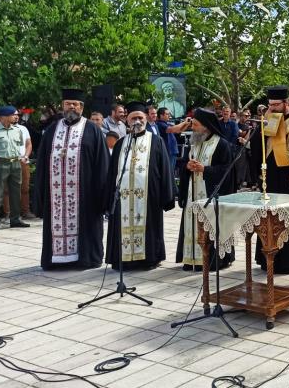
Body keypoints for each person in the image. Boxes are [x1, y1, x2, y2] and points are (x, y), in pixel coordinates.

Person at [35, 88, 109, 270]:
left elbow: (103, 165)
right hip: (56, 197)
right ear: (62, 106)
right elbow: (42, 165)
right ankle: (56, 259)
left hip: (86, 195)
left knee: (87, 227)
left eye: (75, 104)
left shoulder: (93, 130)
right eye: (68, 104)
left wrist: (103, 196)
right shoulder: (52, 130)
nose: (72, 107)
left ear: (82, 107)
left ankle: (86, 259)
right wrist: (40, 196)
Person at [249, 85, 289, 274]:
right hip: (269, 177)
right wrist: (262, 124)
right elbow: (257, 147)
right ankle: (266, 257)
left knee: (287, 220)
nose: (273, 108)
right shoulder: (268, 120)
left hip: (288, 179)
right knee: (268, 219)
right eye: (270, 104)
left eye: (276, 104)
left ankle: (288, 262)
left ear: (287, 103)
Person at [105, 102, 175, 270]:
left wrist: (167, 196)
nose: (137, 121)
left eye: (140, 118)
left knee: (149, 228)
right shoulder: (121, 143)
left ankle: (149, 259)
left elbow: (165, 170)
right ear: (127, 120)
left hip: (149, 197)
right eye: (133, 118)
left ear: (145, 119)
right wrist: (108, 197)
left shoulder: (156, 141)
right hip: (123, 198)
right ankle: (123, 259)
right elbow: (112, 172)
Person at [175, 108, 235, 270]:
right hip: (192, 194)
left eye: (195, 124)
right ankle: (191, 258)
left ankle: (216, 260)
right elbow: (183, 163)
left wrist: (205, 170)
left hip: (212, 195)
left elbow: (227, 172)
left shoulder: (222, 144)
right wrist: (186, 166)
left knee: (212, 225)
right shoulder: (194, 141)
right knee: (191, 224)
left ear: (206, 126)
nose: (192, 127)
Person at [0, 106, 31, 233]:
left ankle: (15, 219)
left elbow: (22, 145)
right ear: (3, 117)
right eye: (13, 115)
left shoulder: (18, 130)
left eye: (17, 115)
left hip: (15, 163)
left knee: (16, 192)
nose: (16, 117)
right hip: (0, 163)